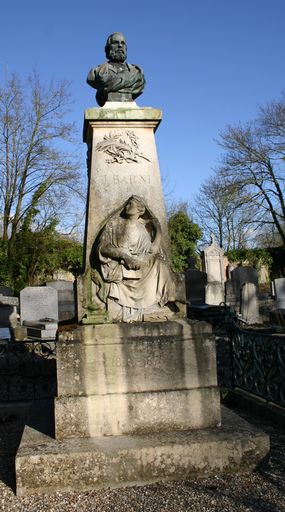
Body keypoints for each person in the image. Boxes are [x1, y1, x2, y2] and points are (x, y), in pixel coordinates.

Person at [97, 196, 182, 322]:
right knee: (155, 263)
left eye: (130, 204)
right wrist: (125, 257)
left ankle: (166, 301)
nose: (126, 206)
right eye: (126, 204)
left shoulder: (141, 229)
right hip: (119, 264)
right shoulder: (115, 223)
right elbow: (103, 248)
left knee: (159, 262)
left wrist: (158, 230)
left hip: (139, 264)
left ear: (140, 210)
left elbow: (151, 250)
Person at [87, 32, 145, 106]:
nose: (120, 45)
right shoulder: (97, 72)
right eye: (116, 43)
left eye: (123, 43)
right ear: (108, 48)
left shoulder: (137, 72)